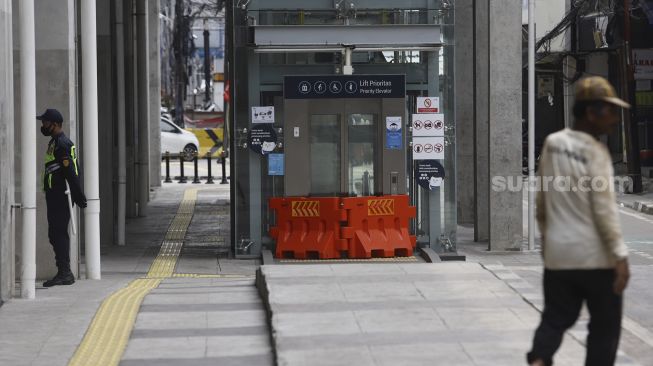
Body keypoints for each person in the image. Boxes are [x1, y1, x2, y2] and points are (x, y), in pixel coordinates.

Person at [527, 77, 631, 366]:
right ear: (591, 112)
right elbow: (604, 210)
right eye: (610, 111)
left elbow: (542, 200)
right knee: (604, 329)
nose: (614, 118)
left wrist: (547, 243)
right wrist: (620, 256)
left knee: (554, 319)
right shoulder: (596, 153)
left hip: (559, 256)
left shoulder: (552, 143)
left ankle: (539, 359)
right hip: (596, 259)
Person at [38, 108, 87, 287]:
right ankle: (63, 271)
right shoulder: (54, 142)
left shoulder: (62, 144)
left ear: (55, 124)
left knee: (58, 233)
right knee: (55, 233)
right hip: (55, 194)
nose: (43, 125)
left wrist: (78, 195)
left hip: (61, 195)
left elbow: (70, 172)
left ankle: (65, 273)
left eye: (45, 122)